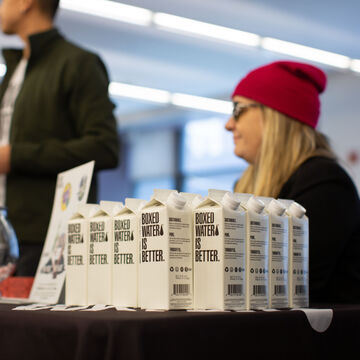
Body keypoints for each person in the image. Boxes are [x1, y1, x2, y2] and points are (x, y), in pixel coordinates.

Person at [0, 0, 119, 275]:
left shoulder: (79, 64)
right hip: (8, 236)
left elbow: (104, 147)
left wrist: (15, 156)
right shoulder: (15, 72)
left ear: (24, 3)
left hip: (47, 240)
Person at [225, 60, 360, 303]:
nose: (229, 124)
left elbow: (292, 285)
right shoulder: (243, 186)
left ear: (274, 116)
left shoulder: (325, 184)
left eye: (238, 109)